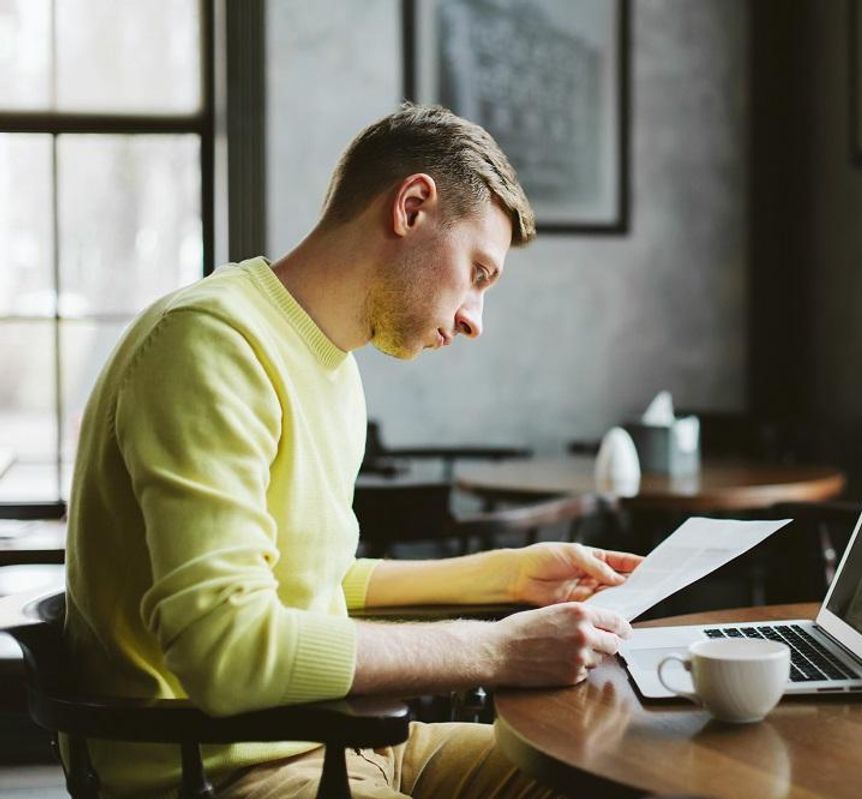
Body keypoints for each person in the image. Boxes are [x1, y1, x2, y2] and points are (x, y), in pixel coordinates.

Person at [65, 103, 641, 798]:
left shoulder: (336, 368)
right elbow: (228, 649)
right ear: (412, 206)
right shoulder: (210, 345)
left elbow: (316, 581)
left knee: (609, 771)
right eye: (478, 274)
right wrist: (499, 649)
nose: (473, 319)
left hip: (336, 738)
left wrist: (510, 577)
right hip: (223, 766)